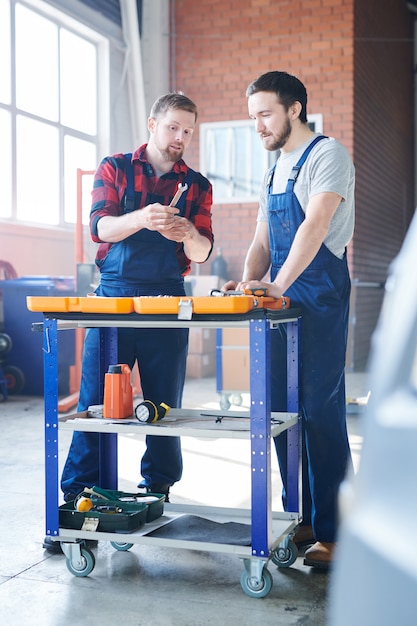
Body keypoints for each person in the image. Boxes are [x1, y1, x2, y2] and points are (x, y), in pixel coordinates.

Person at [44, 92, 213, 551]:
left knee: (164, 408)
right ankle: (78, 501)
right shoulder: (115, 167)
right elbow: (100, 228)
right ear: (152, 123)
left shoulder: (196, 184)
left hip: (166, 301)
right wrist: (141, 217)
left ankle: (157, 491)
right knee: (98, 407)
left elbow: (202, 253)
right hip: (114, 300)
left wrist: (188, 233)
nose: (180, 138)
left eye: (188, 131)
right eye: (174, 127)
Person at [223, 71, 355, 568]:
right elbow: (263, 239)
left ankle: (337, 532)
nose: (257, 125)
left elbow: (316, 225)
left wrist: (278, 283)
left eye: (264, 114)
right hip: (279, 298)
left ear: (294, 108)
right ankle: (298, 517)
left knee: (320, 410)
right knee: (281, 410)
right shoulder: (275, 166)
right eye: (252, 115)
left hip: (318, 292)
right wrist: (245, 283)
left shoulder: (326, 156)